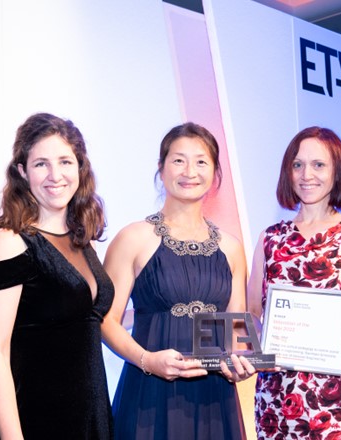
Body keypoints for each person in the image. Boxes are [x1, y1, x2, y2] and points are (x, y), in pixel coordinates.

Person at [101, 122, 255, 439]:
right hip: (149, 393)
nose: (190, 171)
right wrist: (147, 360)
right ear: (161, 168)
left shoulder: (231, 247)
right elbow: (105, 321)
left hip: (215, 399)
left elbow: (236, 330)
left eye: (201, 161)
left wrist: (242, 361)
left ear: (215, 174)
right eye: (178, 160)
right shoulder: (134, 238)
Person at [248, 126, 341, 439]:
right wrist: (254, 354)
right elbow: (251, 316)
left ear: (337, 171)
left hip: (335, 398)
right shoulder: (270, 238)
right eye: (298, 165)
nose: (307, 175)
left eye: (319, 165)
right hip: (276, 397)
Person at [0, 113, 113, 439]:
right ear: (22, 171)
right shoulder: (9, 241)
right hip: (37, 419)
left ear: (80, 167)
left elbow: (81, 321)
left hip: (90, 415)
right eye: (40, 164)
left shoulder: (80, 238)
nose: (55, 175)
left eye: (65, 162)